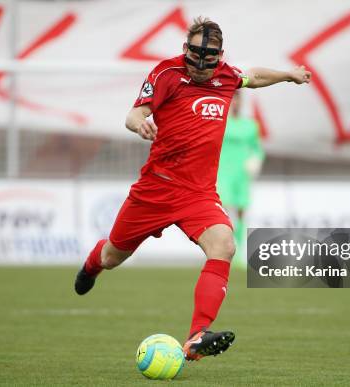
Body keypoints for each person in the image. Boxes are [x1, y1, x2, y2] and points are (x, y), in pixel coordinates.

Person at [75, 16, 311, 361]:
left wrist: (288, 75)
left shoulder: (227, 76)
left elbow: (255, 76)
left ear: (219, 55)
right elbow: (133, 113)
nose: (200, 64)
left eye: (208, 57)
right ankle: (92, 265)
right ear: (185, 49)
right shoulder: (167, 74)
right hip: (155, 189)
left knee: (224, 244)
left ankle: (197, 335)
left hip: (198, 194)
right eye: (194, 55)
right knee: (114, 255)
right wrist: (140, 124)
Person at [217, 91, 264, 268]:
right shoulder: (221, 123)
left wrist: (256, 160)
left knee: (242, 210)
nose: (235, 103)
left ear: (241, 102)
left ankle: (239, 252)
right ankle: (225, 249)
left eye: (237, 100)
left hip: (242, 174)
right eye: (232, 100)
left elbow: (257, 148)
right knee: (224, 212)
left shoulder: (250, 126)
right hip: (223, 172)